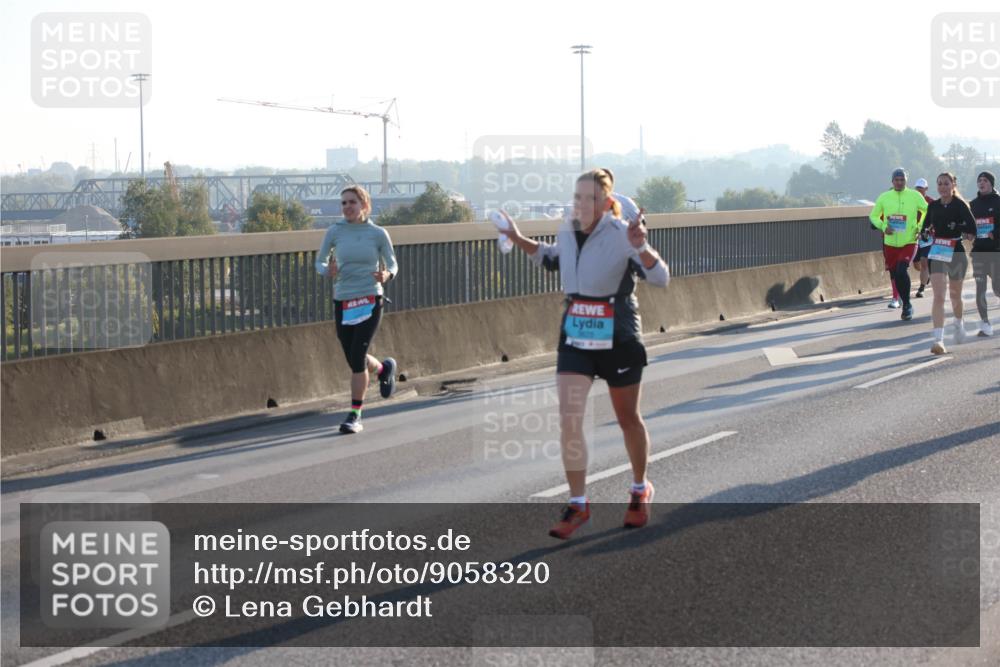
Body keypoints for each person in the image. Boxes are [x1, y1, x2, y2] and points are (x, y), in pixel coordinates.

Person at [499, 168, 670, 540]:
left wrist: (641, 247)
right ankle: (578, 503)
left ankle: (640, 489)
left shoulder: (621, 234)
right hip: (576, 330)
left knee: (627, 418)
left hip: (618, 332)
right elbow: (552, 258)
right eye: (577, 197)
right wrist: (517, 238)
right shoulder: (566, 229)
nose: (580, 204)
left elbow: (661, 278)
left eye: (589, 198)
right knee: (569, 416)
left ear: (606, 203)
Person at [315, 185, 399, 434]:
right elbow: (319, 260)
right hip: (343, 300)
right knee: (354, 357)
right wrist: (326, 270)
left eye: (352, 202)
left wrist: (386, 274)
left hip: (371, 298)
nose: (347, 207)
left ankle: (355, 414)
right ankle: (384, 369)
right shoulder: (334, 232)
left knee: (357, 357)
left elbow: (393, 263)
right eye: (343, 203)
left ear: (364, 205)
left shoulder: (378, 233)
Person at [921, 173, 978, 355]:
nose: (943, 187)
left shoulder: (960, 205)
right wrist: (925, 233)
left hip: (956, 251)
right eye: (939, 184)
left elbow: (972, 229)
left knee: (955, 296)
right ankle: (938, 340)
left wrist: (959, 228)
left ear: (953, 184)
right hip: (938, 252)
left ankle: (959, 323)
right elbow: (925, 227)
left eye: (946, 183)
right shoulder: (933, 206)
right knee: (938, 296)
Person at [869, 168, 928, 320]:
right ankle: (905, 302)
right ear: (892, 181)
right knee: (896, 275)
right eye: (897, 180)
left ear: (906, 181)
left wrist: (920, 227)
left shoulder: (915, 196)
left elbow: (927, 210)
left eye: (902, 180)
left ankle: (907, 304)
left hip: (909, 241)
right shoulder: (884, 197)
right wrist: (883, 226)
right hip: (890, 243)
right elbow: (873, 216)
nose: (899, 182)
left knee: (902, 270)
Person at [970, 171, 1000, 337]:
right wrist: (968, 233)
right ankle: (985, 323)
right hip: (979, 252)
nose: (982, 183)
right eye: (979, 180)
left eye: (985, 180)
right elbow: (968, 225)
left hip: (996, 251)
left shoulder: (998, 202)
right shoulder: (973, 204)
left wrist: (995, 233)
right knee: (980, 288)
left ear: (991, 183)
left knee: (997, 288)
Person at [913, 178, 935, 298]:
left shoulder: (931, 202)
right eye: (917, 189)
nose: (919, 191)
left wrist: (929, 229)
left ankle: (921, 288)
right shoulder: (911, 200)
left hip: (927, 237)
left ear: (926, 189)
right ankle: (926, 275)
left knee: (924, 262)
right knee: (916, 265)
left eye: (921, 189)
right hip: (914, 237)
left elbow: (936, 218)